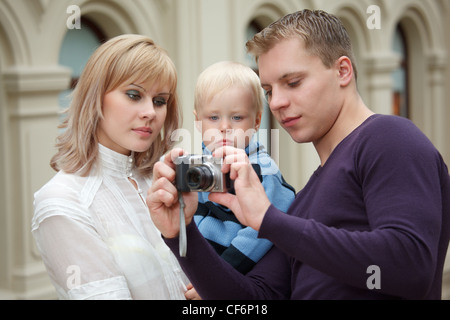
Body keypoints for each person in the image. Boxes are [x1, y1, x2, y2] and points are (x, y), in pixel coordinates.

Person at [147, 10, 450, 300]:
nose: (276, 102)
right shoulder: (301, 202)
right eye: (268, 90)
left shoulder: (389, 137)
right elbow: (251, 300)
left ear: (342, 71)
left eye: (293, 82)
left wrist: (270, 221)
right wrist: (180, 233)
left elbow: (412, 266)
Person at [32, 34, 189, 299]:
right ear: (96, 96)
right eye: (133, 95)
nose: (150, 112)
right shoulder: (62, 202)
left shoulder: (165, 179)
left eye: (160, 100)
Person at [184, 62, 296, 299]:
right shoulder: (200, 164)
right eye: (213, 117)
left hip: (234, 277)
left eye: (236, 117)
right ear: (197, 122)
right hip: (197, 271)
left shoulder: (263, 170)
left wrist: (214, 279)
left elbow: (260, 234)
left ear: (256, 121)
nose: (224, 127)